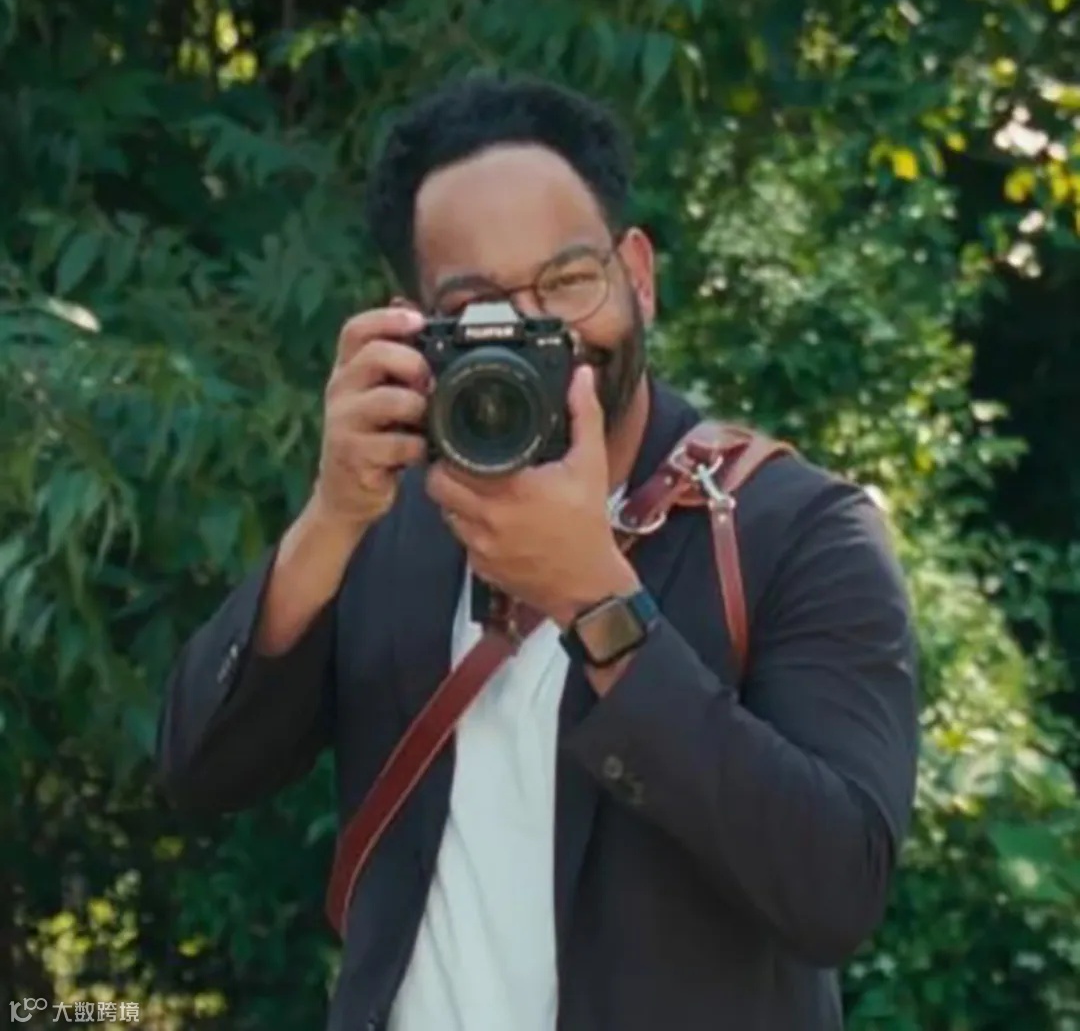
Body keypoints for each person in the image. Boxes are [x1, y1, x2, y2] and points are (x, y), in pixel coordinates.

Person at [156, 73, 920, 1031]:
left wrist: (595, 599)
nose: (538, 331)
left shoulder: (794, 528)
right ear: (418, 326)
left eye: (566, 282)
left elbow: (837, 889)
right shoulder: (392, 515)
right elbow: (201, 772)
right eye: (480, 303)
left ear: (637, 274)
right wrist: (329, 518)